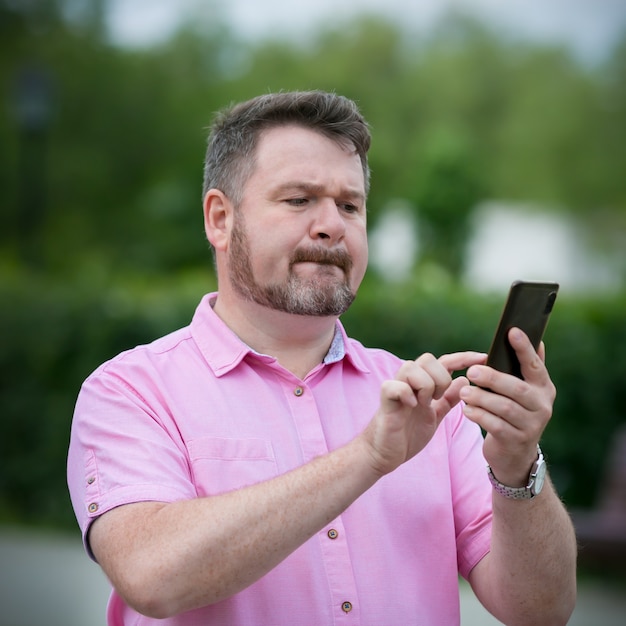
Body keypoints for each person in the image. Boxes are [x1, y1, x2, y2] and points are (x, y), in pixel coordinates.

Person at [67, 90, 577, 625]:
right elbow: (152, 576)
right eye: (299, 200)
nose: (332, 224)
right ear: (220, 219)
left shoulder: (433, 409)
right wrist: (367, 459)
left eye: (350, 205)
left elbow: (541, 611)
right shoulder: (130, 390)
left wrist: (518, 466)